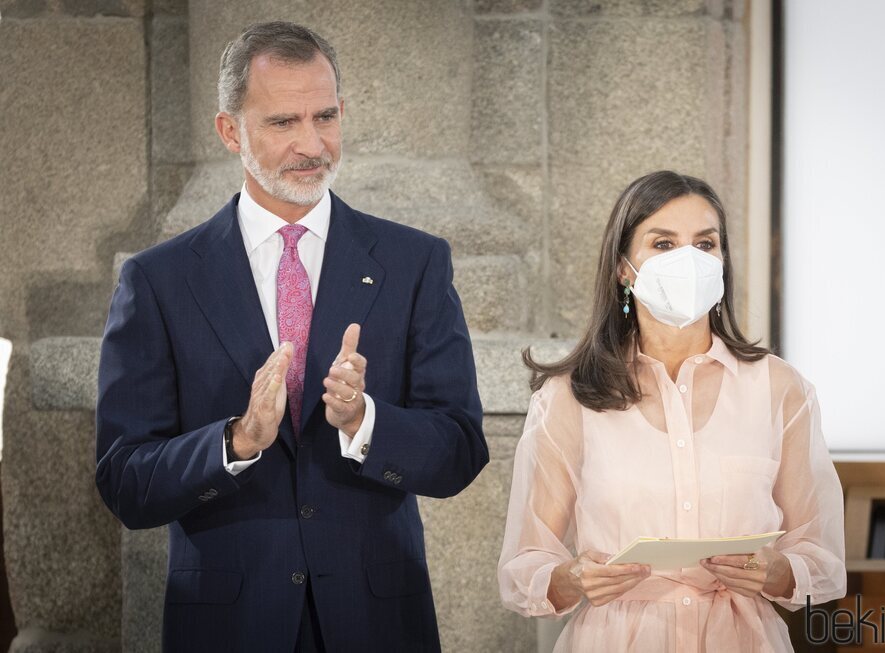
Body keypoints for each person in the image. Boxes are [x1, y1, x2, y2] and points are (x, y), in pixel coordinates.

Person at [96, 21, 487, 653]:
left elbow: (461, 451)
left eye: (325, 117)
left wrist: (365, 421)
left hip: (379, 624)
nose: (313, 144)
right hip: (227, 627)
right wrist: (238, 440)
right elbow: (125, 483)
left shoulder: (416, 263)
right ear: (231, 131)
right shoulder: (157, 281)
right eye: (283, 123)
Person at [498, 171, 845, 652]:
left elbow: (822, 558)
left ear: (722, 261)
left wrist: (780, 572)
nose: (688, 260)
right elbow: (524, 567)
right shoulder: (568, 396)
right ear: (624, 268)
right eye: (663, 244)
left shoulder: (779, 388)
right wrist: (574, 579)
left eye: (705, 245)